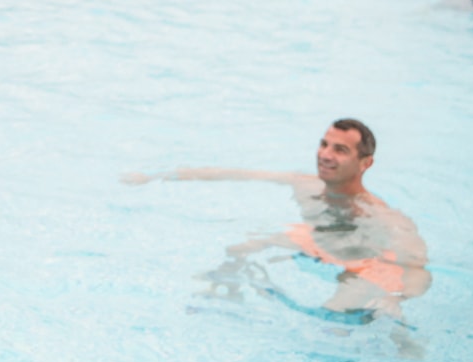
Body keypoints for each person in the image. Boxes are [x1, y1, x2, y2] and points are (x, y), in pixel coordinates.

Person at [124, 119, 430, 322]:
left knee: (337, 314)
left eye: (340, 150)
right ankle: (221, 297)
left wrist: (394, 296)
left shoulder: (379, 214)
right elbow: (233, 174)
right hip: (317, 241)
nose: (325, 154)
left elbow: (416, 265)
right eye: (324, 144)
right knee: (242, 247)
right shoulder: (306, 185)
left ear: (366, 163)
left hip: (362, 263)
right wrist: (157, 176)